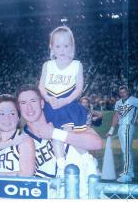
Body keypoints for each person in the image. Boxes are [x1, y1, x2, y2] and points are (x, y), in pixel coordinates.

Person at [17, 84, 103, 198]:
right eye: (23, 103)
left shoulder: (62, 121)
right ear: (19, 107)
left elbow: (97, 143)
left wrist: (55, 133)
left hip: (84, 193)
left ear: (42, 103)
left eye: (33, 101)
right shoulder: (21, 140)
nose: (29, 107)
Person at [37, 26, 88, 179]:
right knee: (55, 135)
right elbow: (41, 86)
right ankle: (60, 164)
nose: (62, 50)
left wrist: (65, 100)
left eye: (66, 45)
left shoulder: (76, 65)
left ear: (72, 47)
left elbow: (79, 88)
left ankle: (86, 159)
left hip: (68, 104)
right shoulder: (47, 65)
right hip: (51, 104)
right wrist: (48, 99)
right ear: (51, 47)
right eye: (58, 46)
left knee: (70, 134)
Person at [107, 85, 138, 183]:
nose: (123, 94)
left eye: (124, 92)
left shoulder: (133, 100)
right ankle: (129, 172)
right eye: (121, 92)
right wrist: (111, 130)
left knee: (126, 151)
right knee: (125, 150)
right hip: (121, 127)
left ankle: (127, 174)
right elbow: (116, 116)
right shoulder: (118, 102)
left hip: (128, 126)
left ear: (128, 92)